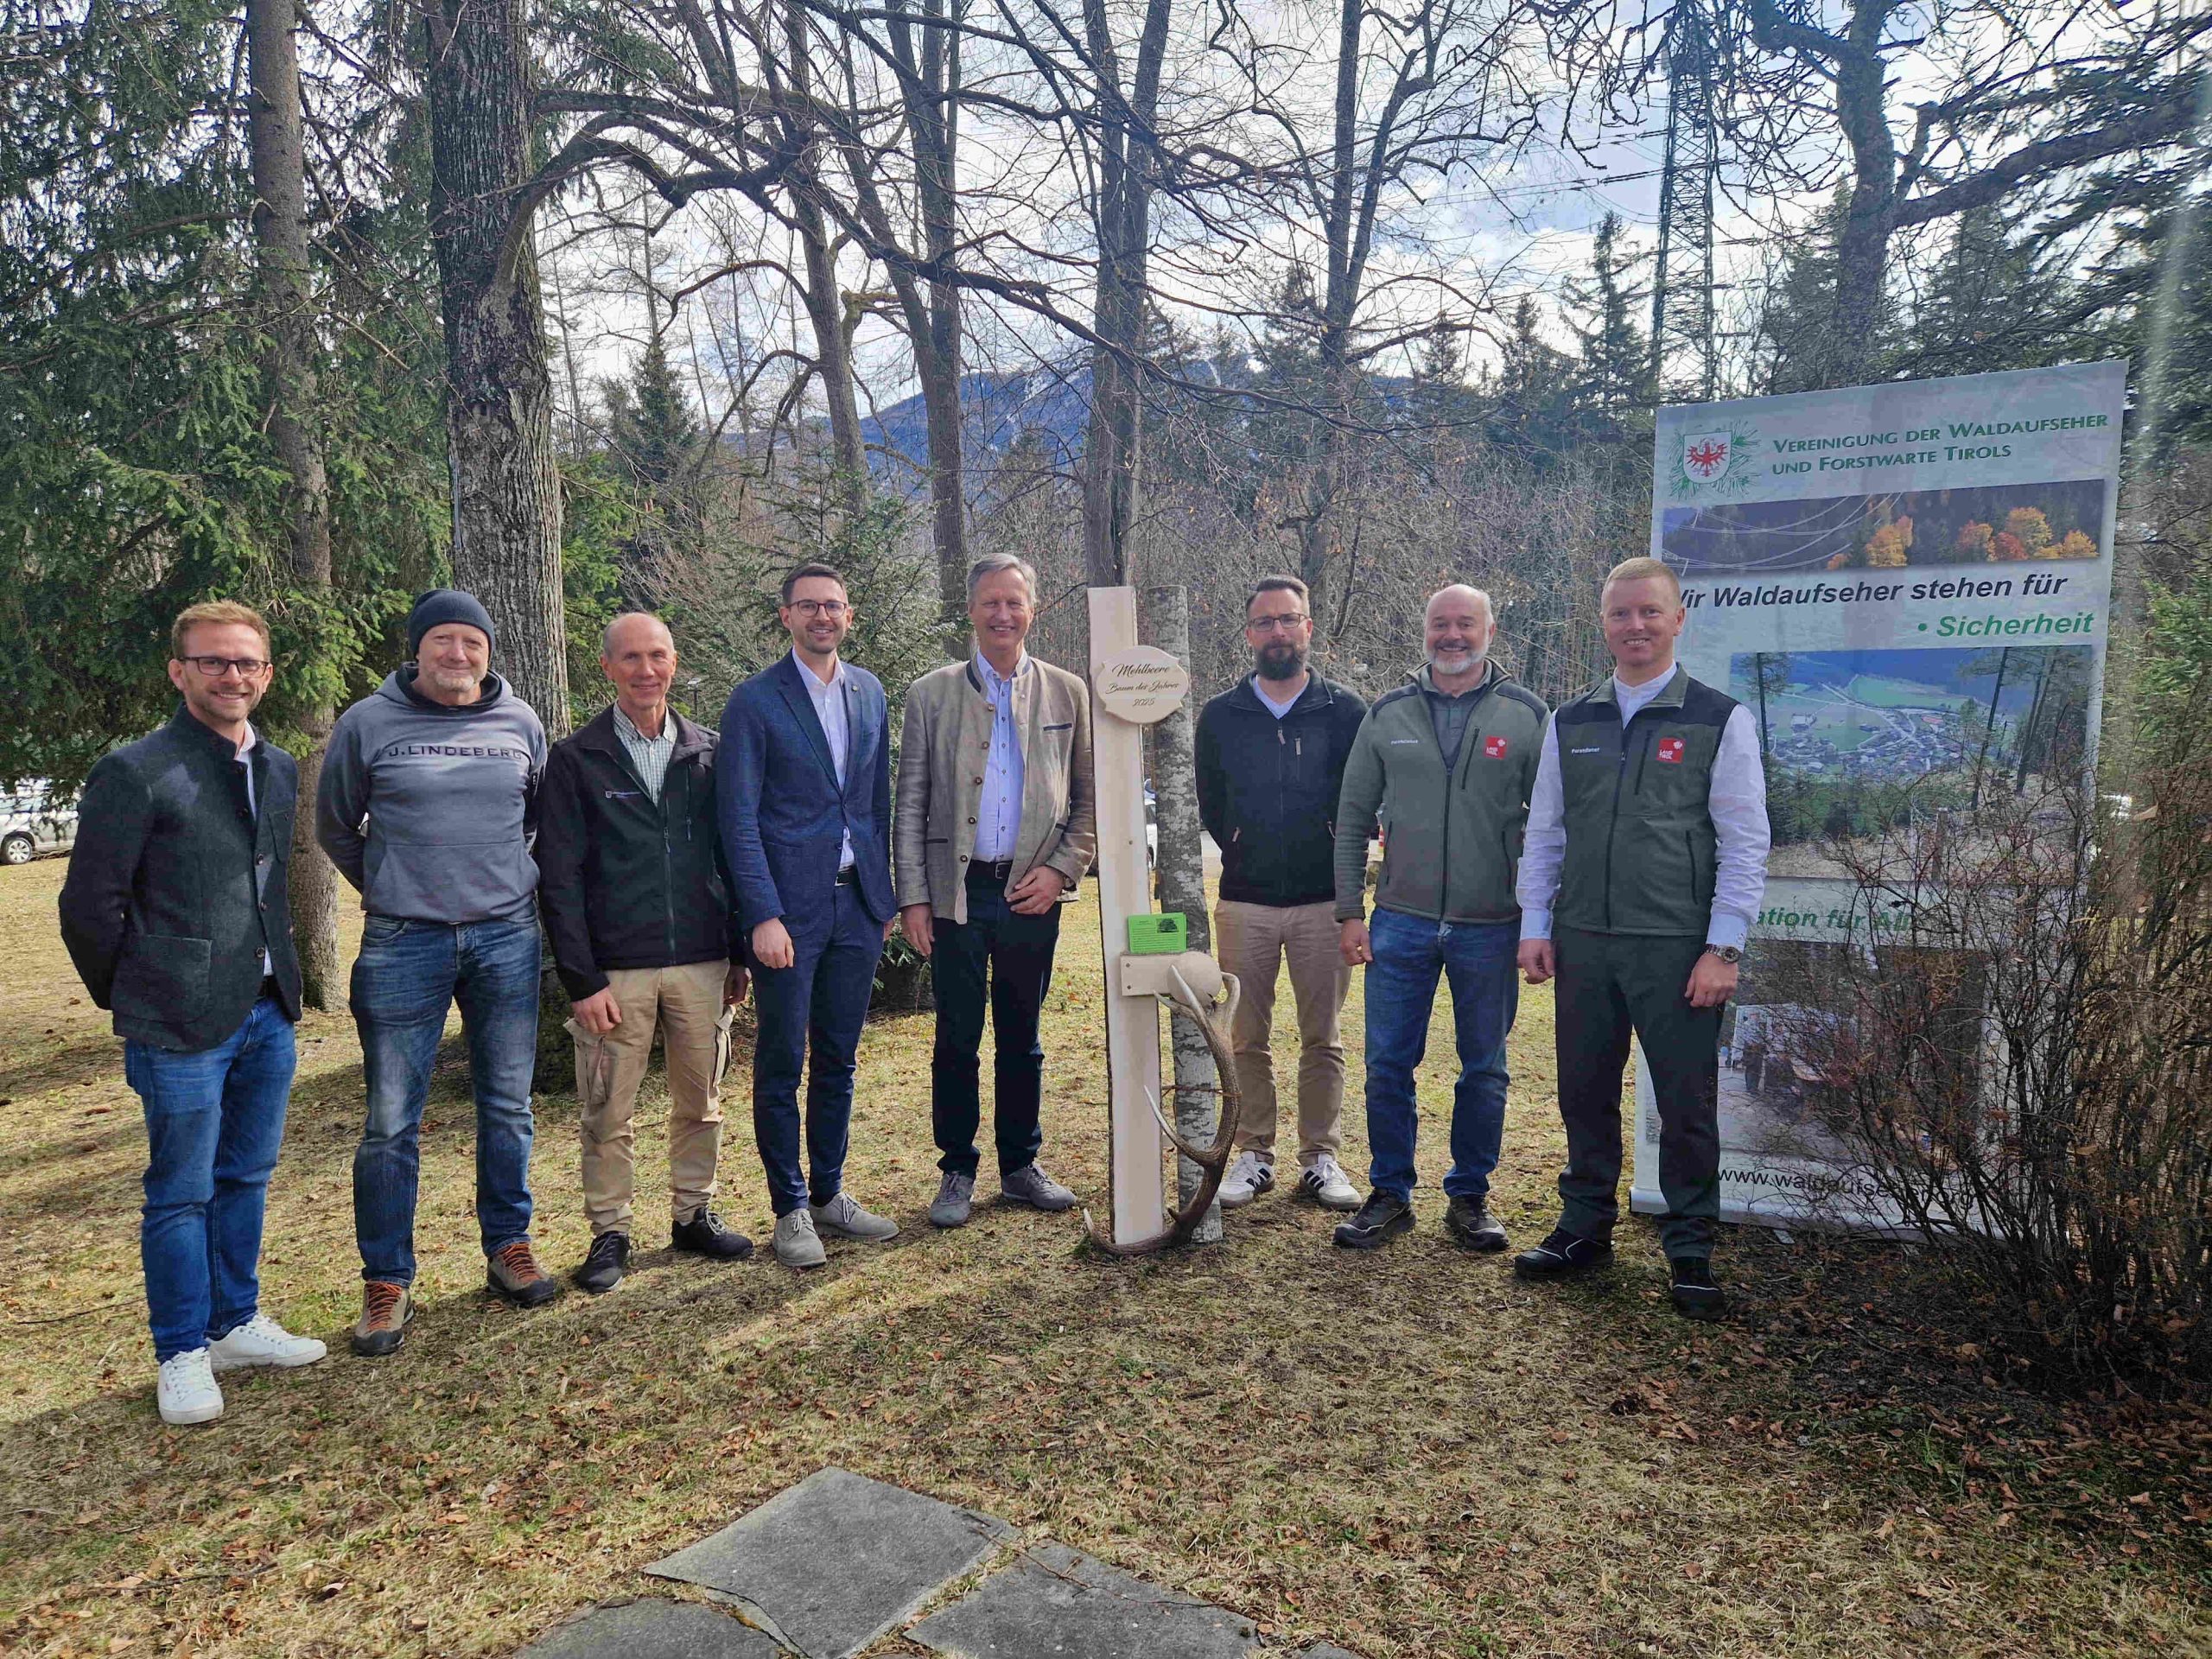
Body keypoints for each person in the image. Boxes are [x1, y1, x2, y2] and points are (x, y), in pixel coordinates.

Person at [60, 602, 327, 1425]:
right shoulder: (136, 771)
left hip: (266, 1011)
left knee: (245, 1175)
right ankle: (181, 1350)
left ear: (266, 674)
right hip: (176, 1023)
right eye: (213, 661)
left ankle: (233, 1322)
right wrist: (138, 992)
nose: (231, 676)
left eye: (246, 663)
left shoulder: (277, 767)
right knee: (180, 1192)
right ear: (179, 671)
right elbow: (89, 907)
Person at [1512, 556, 1770, 1319]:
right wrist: (1536, 924)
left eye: (1650, 612)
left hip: (1676, 946)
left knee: (1686, 1103)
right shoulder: (1571, 721)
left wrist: (1723, 947)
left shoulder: (1719, 719)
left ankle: (1691, 1249)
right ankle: (1583, 1227)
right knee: (1583, 1091)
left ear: (1678, 619)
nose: (1636, 626)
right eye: (1621, 613)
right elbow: (1546, 831)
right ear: (1604, 624)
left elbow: (1745, 840)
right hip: (1585, 940)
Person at [317, 589, 558, 1356]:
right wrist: (396, 886)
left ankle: (508, 1247)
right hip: (403, 942)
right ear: (417, 648)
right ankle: (387, 1280)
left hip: (505, 937)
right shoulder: (367, 723)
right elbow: (335, 825)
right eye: (444, 641)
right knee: (391, 1120)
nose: (458, 654)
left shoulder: (520, 722)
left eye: (472, 642)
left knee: (508, 1104)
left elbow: (535, 819)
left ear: (488, 651)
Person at [537, 613, 754, 1294]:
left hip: (702, 961)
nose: (645, 670)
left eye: (657, 656)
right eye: (630, 658)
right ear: (607, 667)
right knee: (608, 1111)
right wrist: (581, 978)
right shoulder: (576, 759)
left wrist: (739, 953)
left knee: (703, 1100)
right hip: (615, 972)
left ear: (674, 662)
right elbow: (559, 878)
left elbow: (732, 855)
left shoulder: (709, 753)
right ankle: (610, 1231)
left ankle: (694, 1214)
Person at [1330, 585, 1548, 1250]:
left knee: (1484, 1068)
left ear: (1490, 631)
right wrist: (1350, 911)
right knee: (1387, 1065)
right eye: (1440, 624)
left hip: (1492, 923)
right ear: (1424, 631)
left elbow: (1551, 827)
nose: (1452, 635)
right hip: (1400, 920)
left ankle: (1470, 1197)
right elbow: (1351, 818)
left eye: (1465, 624)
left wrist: (1539, 919)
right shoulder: (1387, 712)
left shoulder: (1527, 715)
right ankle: (1390, 1193)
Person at [896, 555, 1096, 1229]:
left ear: (1032, 610)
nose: (1002, 614)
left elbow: (1089, 799)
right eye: (990, 602)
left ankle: (1020, 1166)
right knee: (956, 1037)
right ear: (972, 610)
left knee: (1022, 1037)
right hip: (957, 891)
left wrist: (1061, 870)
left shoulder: (1068, 693)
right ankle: (956, 1169)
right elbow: (910, 802)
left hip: (1030, 891)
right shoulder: (931, 695)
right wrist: (914, 897)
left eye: (1014, 602)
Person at [719, 563, 899, 1268]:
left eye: (833, 605)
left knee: (838, 1058)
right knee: (781, 1061)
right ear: (786, 616)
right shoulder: (755, 701)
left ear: (849, 615)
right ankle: (789, 1208)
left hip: (857, 905)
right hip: (788, 914)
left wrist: (882, 896)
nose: (822, 616)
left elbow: (874, 801)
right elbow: (738, 819)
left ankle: (828, 1193)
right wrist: (762, 914)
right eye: (808, 606)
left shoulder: (869, 692)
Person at [1194, 575, 1367, 1212]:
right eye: (1265, 621)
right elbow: (1211, 801)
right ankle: (1253, 1153)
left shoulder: (1345, 710)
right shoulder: (1221, 715)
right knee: (1245, 1037)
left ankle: (1321, 1156)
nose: (1277, 631)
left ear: (1308, 627)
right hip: (1246, 901)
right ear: (1249, 633)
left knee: (1324, 1036)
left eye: (1288, 619)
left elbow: (1363, 801)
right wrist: (1242, 842)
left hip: (1324, 900)